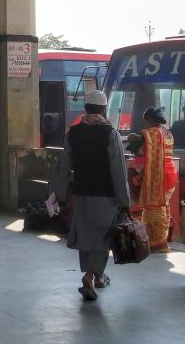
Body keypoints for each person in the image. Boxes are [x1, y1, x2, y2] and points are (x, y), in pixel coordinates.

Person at [51, 91, 130, 301]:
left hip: (81, 193)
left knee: (86, 235)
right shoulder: (110, 134)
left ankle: (95, 275)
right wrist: (124, 201)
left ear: (86, 109)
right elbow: (118, 170)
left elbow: (64, 166)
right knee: (102, 237)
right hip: (105, 195)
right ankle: (91, 276)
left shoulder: (73, 133)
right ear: (103, 109)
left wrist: (59, 194)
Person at [126, 107, 178, 253]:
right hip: (170, 174)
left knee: (153, 210)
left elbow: (140, 151)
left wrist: (133, 138)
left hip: (158, 176)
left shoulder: (150, 133)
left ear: (149, 120)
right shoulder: (167, 133)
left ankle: (157, 243)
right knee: (163, 206)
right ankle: (161, 241)